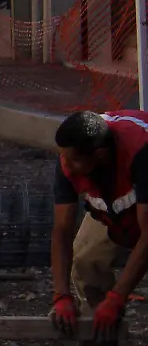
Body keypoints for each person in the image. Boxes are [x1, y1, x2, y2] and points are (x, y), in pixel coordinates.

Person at [49, 110, 148, 342]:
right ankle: (100, 331)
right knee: (86, 261)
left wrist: (117, 297)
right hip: (115, 204)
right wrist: (61, 296)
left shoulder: (141, 152)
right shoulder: (70, 154)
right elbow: (62, 231)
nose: (66, 167)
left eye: (73, 161)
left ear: (100, 155)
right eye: (63, 157)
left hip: (140, 199)